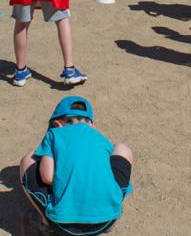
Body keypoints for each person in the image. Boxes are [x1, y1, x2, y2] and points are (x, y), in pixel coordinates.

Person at [20, 96, 134, 235]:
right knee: (122, 148)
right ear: (91, 125)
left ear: (57, 124)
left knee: (28, 158)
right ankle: (110, 207)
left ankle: (45, 220)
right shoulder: (100, 137)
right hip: (107, 220)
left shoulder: (54, 134)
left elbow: (47, 177)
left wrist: (65, 174)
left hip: (63, 224)